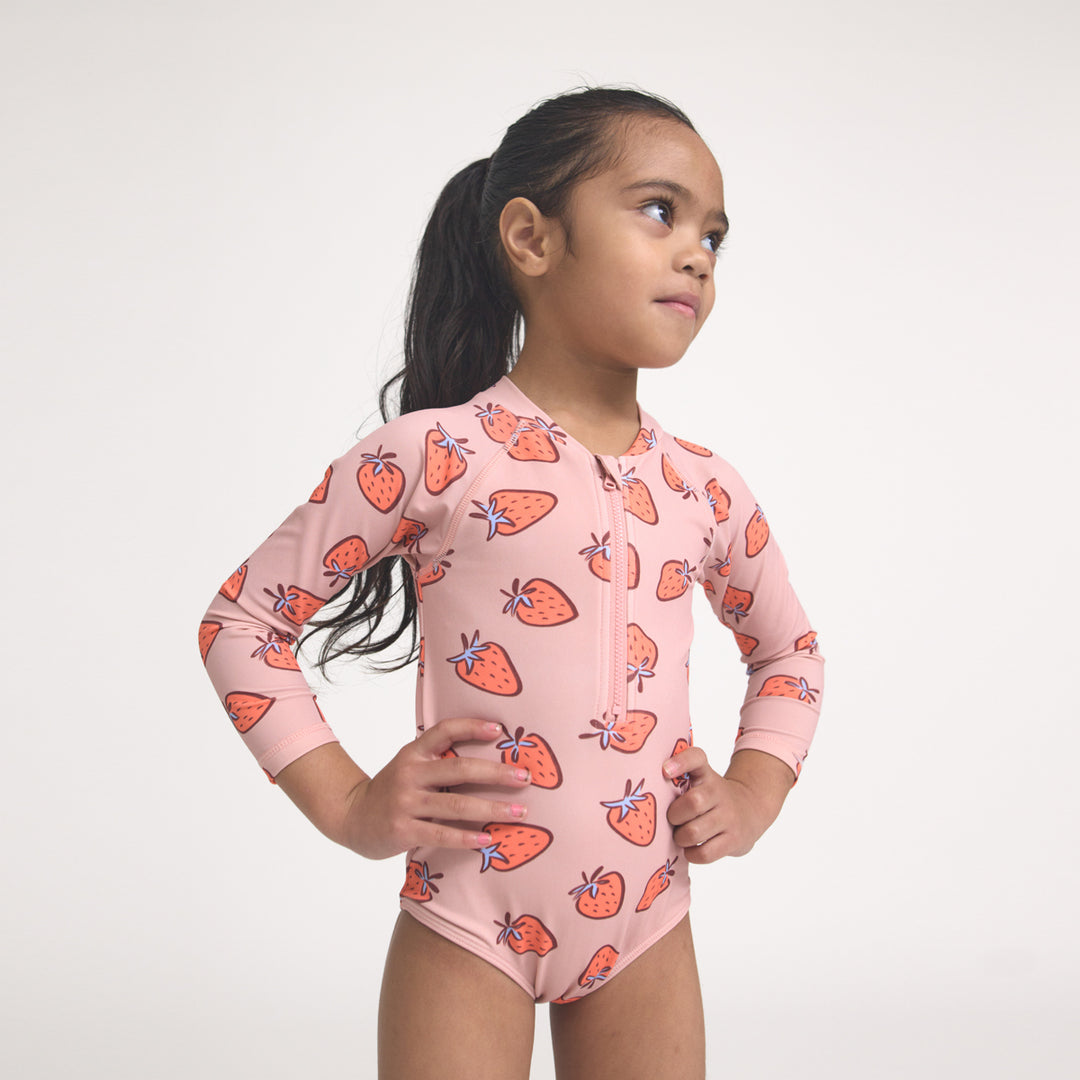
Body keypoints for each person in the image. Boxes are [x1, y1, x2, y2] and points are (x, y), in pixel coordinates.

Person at [199, 84, 824, 1079]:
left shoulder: (706, 489)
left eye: (715, 233)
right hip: (467, 915)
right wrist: (350, 805)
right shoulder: (430, 455)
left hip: (647, 919)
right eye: (660, 211)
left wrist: (754, 791)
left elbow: (790, 652)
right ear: (531, 238)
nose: (698, 253)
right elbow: (241, 625)